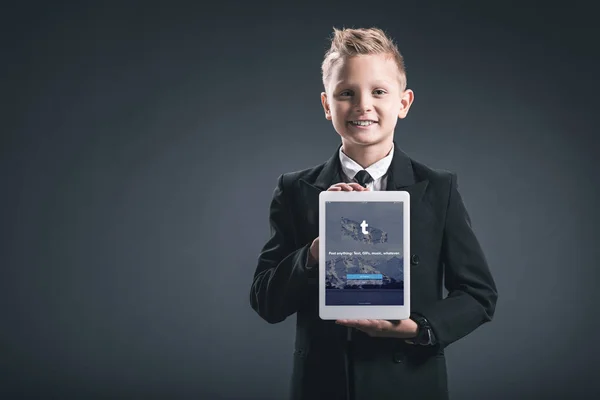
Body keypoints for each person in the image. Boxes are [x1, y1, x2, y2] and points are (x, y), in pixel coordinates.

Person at [249, 26, 498, 400]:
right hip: (323, 384)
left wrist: (416, 328)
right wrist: (316, 251)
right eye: (346, 93)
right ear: (326, 105)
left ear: (404, 102)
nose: (363, 105)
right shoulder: (295, 190)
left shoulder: (438, 189)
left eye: (379, 91)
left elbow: (478, 295)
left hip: (409, 383)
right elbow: (266, 301)